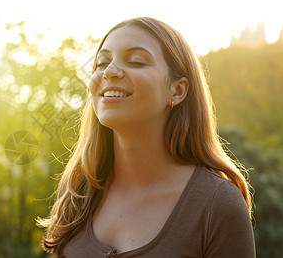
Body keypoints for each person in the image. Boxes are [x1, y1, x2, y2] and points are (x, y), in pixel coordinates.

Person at [37, 17, 255, 257]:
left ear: (177, 90)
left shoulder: (218, 205)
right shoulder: (78, 193)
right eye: (102, 63)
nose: (109, 72)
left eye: (136, 61)